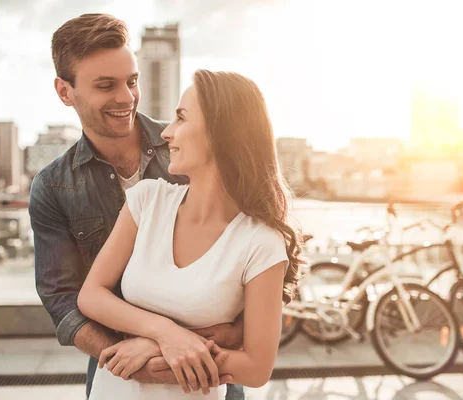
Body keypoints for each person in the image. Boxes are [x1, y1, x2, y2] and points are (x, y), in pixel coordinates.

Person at [29, 14, 248, 399]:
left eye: (132, 81)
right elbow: (62, 299)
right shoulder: (52, 187)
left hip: (208, 370)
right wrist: (136, 359)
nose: (127, 97)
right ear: (65, 92)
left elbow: (258, 261)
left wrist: (187, 342)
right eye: (106, 85)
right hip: (121, 376)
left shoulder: (192, 147)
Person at [77, 69, 304, 399]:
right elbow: (91, 295)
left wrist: (151, 349)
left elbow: (256, 369)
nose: (167, 132)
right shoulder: (147, 200)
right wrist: (165, 335)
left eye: (181, 118)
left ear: (220, 131)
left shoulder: (261, 242)